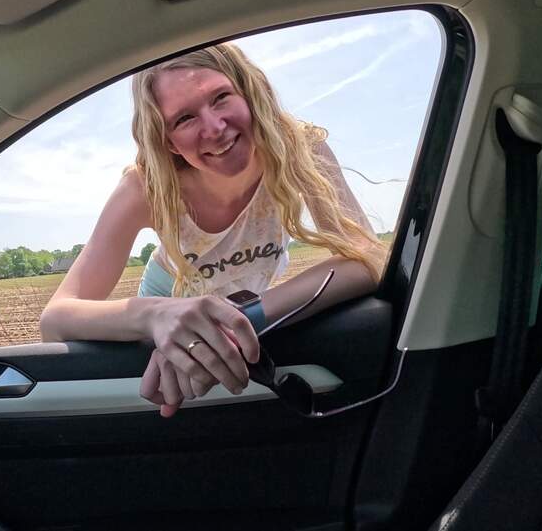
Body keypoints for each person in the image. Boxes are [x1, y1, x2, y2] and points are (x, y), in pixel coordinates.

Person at [41, 42, 383, 417]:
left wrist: (241, 319)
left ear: (249, 92)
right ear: (167, 141)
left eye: (221, 97)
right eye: (184, 119)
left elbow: (367, 258)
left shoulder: (299, 148)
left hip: (236, 316)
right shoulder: (146, 188)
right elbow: (55, 320)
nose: (215, 128)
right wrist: (155, 316)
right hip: (167, 311)